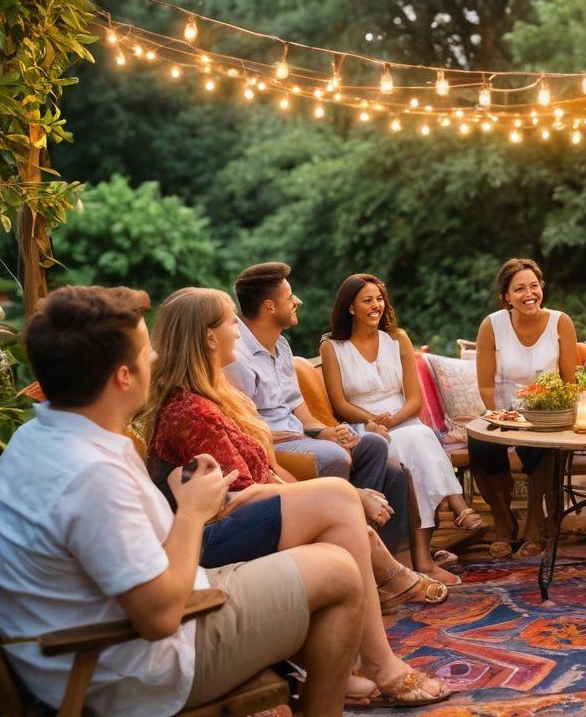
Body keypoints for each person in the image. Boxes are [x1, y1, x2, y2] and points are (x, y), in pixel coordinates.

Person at [0, 286, 363, 716]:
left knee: (320, 544)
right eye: (146, 351)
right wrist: (193, 512)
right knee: (340, 572)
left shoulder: (44, 437)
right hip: (138, 670)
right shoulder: (90, 475)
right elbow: (160, 617)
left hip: (112, 643)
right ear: (124, 376)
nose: (156, 359)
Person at [140, 287, 450, 708]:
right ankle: (381, 652)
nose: (239, 330)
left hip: (238, 515)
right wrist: (334, 497)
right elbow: (232, 495)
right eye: (231, 322)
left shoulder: (217, 396)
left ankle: (355, 658)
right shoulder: (189, 412)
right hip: (208, 536)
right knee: (339, 500)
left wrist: (323, 497)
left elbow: (264, 469)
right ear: (208, 337)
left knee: (339, 508)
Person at [226, 263, 447, 581]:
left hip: (300, 436)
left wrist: (325, 430)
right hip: (276, 445)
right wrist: (318, 440)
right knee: (334, 456)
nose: (297, 300)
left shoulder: (282, 346)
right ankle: (353, 561)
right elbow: (247, 426)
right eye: (290, 296)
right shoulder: (238, 357)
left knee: (378, 452)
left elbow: (297, 409)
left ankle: (382, 567)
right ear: (269, 306)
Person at [321, 274, 482, 579]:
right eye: (367, 300)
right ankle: (455, 508)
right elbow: (339, 402)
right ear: (351, 307)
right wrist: (371, 421)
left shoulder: (397, 338)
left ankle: (424, 556)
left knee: (417, 437)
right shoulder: (333, 347)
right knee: (420, 438)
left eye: (379, 298)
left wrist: (393, 420)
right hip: (365, 429)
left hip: (404, 420)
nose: (376, 305)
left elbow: (414, 400)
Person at [472, 258, 578, 558]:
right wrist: (499, 417)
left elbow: (570, 382)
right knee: (480, 444)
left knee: (541, 445)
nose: (529, 293)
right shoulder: (492, 325)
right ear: (506, 296)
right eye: (519, 288)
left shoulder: (561, 322)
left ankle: (535, 523)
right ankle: (504, 521)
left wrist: (553, 411)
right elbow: (486, 385)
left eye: (534, 286)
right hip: (503, 411)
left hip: (547, 412)